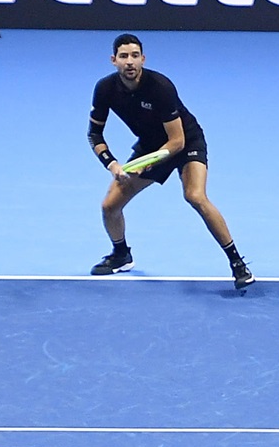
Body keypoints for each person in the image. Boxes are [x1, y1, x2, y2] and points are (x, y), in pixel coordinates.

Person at [87, 33, 255, 290]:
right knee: (110, 205)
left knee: (195, 196)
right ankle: (121, 254)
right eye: (123, 57)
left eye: (134, 56)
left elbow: (176, 142)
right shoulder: (105, 89)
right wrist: (113, 164)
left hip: (186, 141)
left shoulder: (160, 86)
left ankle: (237, 263)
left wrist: (146, 165)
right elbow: (94, 134)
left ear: (143, 59)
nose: (130, 62)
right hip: (150, 145)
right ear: (113, 60)